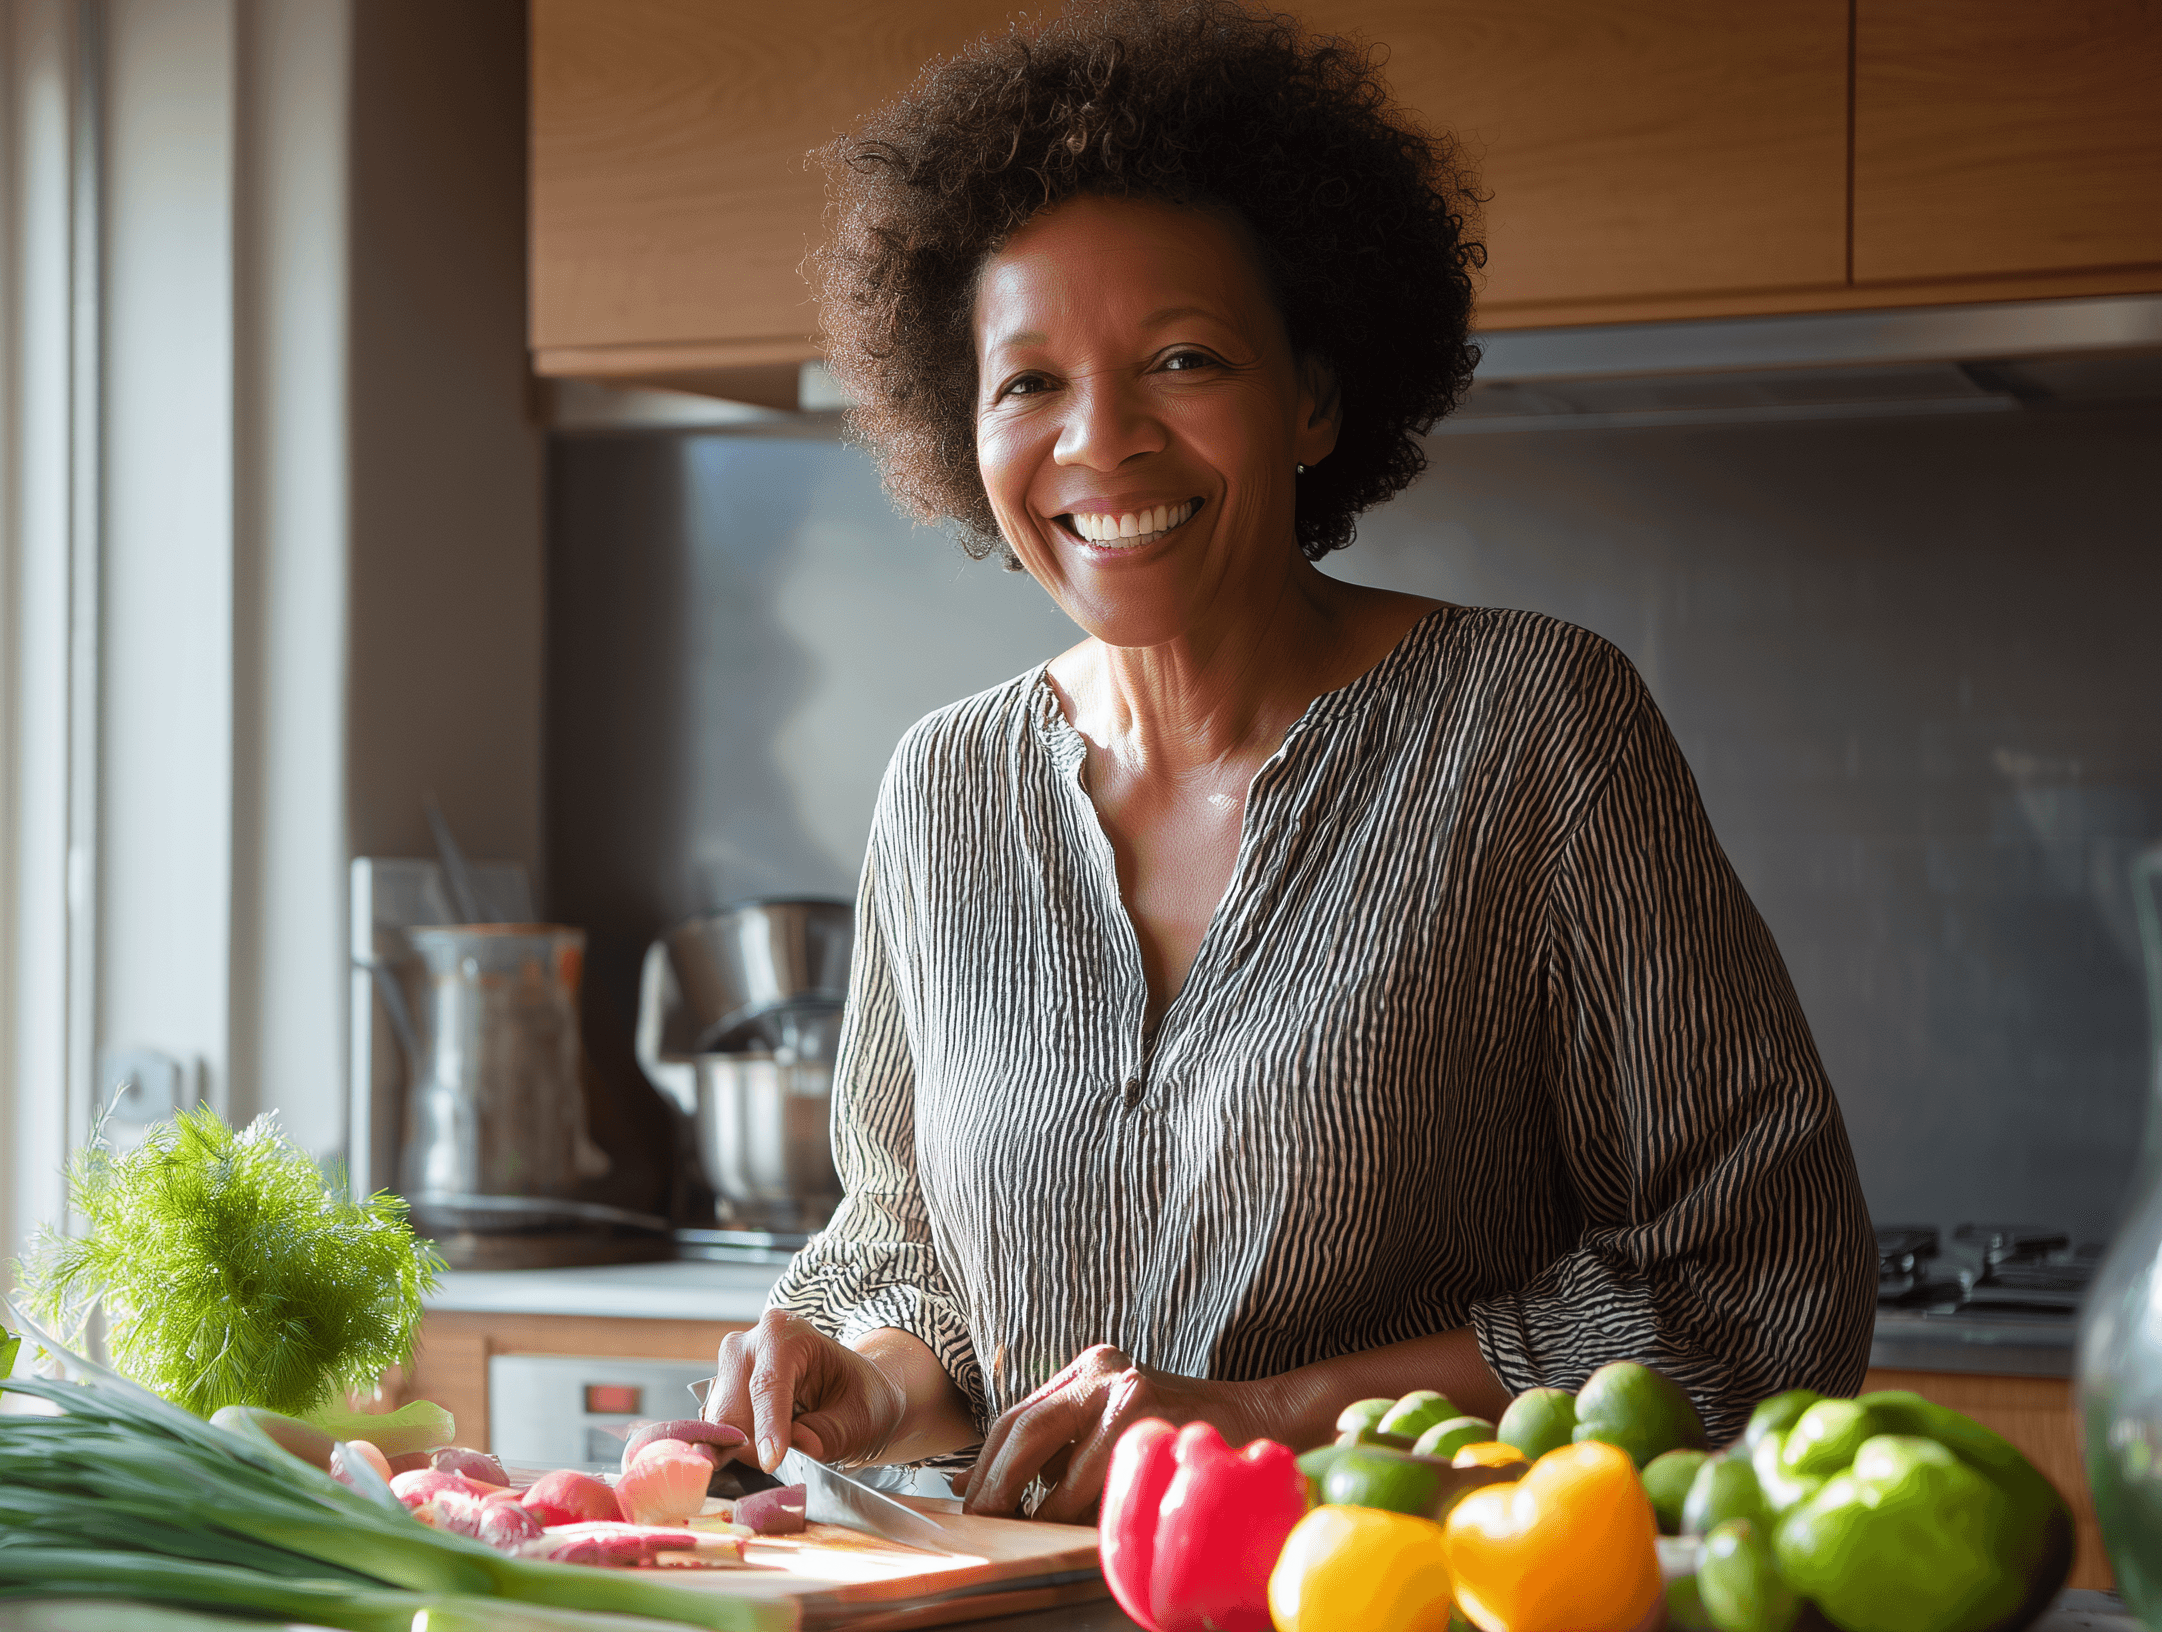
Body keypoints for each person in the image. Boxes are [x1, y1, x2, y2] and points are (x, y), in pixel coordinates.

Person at [701, 0, 1875, 1523]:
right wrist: (878, 1379)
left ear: (1314, 396)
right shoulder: (948, 790)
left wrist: (1271, 1417)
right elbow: (916, 1237)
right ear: (961, 423)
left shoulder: (1535, 730)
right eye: (1030, 381)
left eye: (1183, 360)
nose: (1101, 442)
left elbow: (1760, 1291)